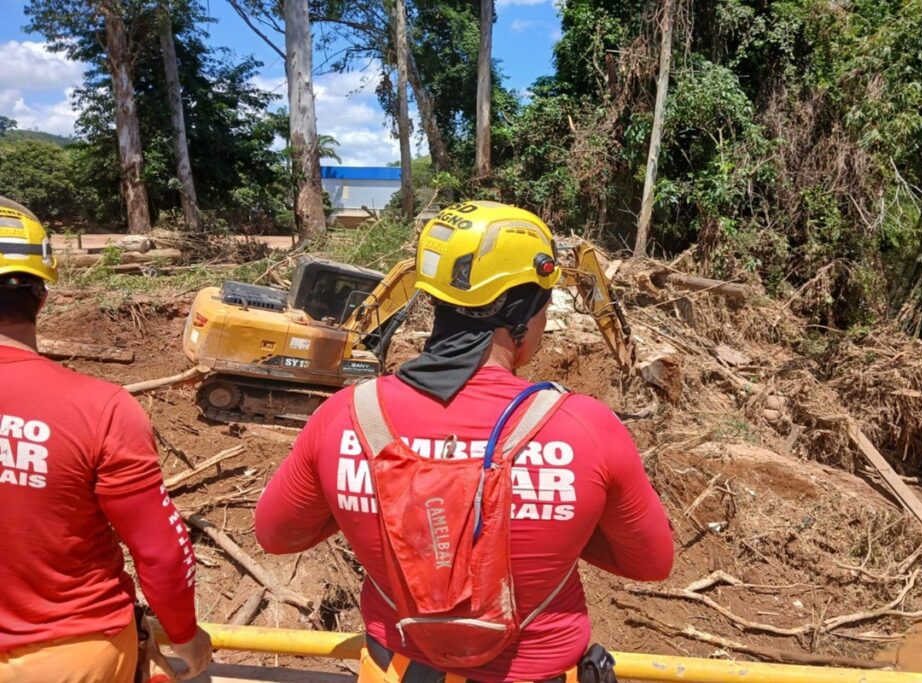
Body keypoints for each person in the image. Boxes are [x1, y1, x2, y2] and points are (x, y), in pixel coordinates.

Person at [256, 201, 673, 683]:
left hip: (398, 669)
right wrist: (564, 530)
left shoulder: (346, 418)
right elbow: (650, 562)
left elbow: (276, 535)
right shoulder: (585, 426)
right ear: (523, 314)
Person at [0, 196, 213, 683]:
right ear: (43, 296)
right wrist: (185, 635)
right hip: (72, 655)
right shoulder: (101, 409)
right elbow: (160, 550)